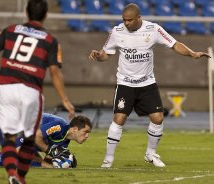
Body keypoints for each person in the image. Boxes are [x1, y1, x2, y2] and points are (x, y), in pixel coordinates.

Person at [89, 3, 210, 168]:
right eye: (124, 20)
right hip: (125, 83)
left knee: (158, 118)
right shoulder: (116, 32)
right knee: (119, 118)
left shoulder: (153, 30)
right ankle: (108, 159)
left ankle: (150, 153)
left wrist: (192, 53)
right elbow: (106, 54)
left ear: (139, 18)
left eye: (130, 20)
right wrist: (98, 56)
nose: (126, 23)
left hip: (147, 83)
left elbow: (175, 44)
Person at [0, 0, 75, 183]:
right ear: (46, 15)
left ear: (27, 13)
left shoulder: (10, 30)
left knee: (9, 138)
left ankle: (12, 175)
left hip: (4, 88)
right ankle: (20, 177)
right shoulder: (50, 40)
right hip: (30, 91)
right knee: (30, 139)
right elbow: (54, 72)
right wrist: (65, 99)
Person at [0, 113, 92, 168]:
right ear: (75, 129)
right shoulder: (59, 126)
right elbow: (37, 137)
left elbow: (46, 163)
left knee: (35, 163)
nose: (87, 136)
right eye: (85, 132)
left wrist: (63, 164)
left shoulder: (64, 142)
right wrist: (50, 151)